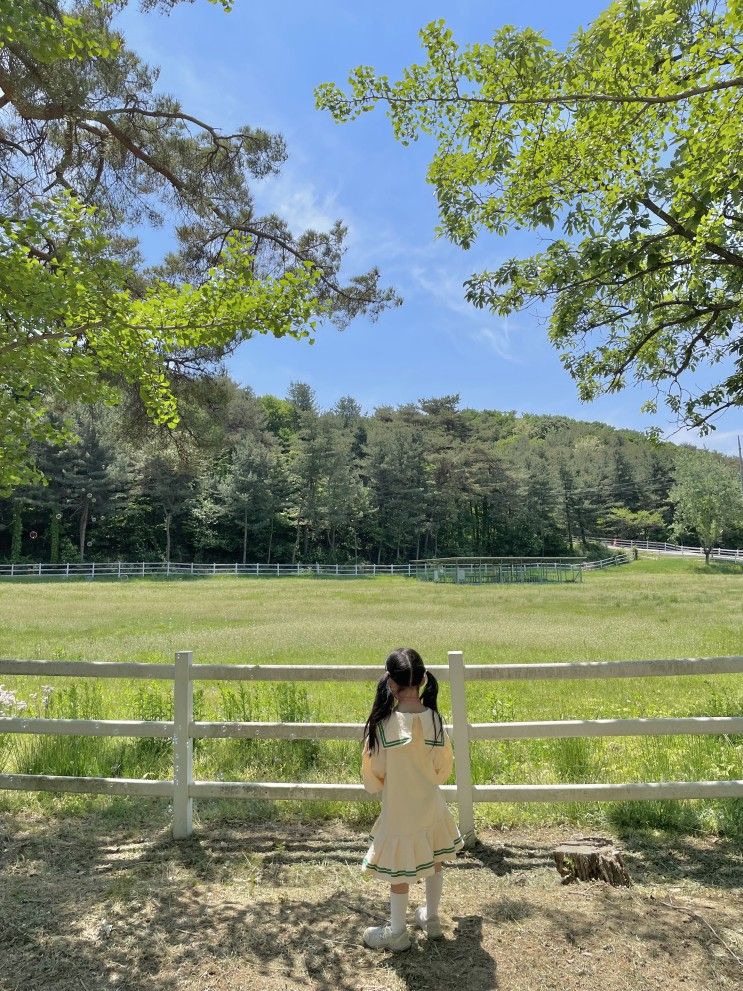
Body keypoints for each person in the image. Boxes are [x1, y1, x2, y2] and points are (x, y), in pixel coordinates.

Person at [360, 647, 464, 951]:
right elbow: (442, 768)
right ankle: (431, 919)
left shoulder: (384, 726)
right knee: (435, 858)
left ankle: (397, 933)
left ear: (391, 684)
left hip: (399, 811)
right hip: (431, 808)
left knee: (398, 872)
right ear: (421, 679)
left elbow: (374, 775)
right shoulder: (434, 719)